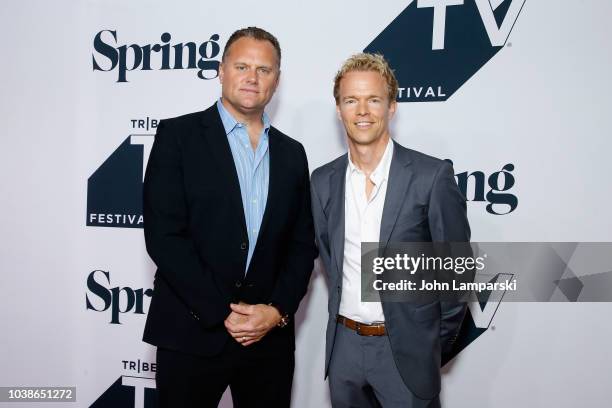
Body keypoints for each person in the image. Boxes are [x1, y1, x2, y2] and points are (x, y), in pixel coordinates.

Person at [142, 26, 317, 407]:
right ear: (221, 70)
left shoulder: (293, 154)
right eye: (241, 66)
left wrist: (275, 312)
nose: (252, 78)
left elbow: (303, 245)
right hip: (191, 333)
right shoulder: (178, 136)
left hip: (267, 342)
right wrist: (224, 312)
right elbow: (164, 236)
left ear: (277, 80)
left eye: (264, 69)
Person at [310, 53, 471, 408]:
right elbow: (327, 255)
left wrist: (430, 342)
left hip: (407, 351)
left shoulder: (431, 177)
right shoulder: (322, 181)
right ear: (339, 109)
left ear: (392, 107)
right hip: (344, 350)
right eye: (351, 100)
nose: (362, 110)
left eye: (374, 99)